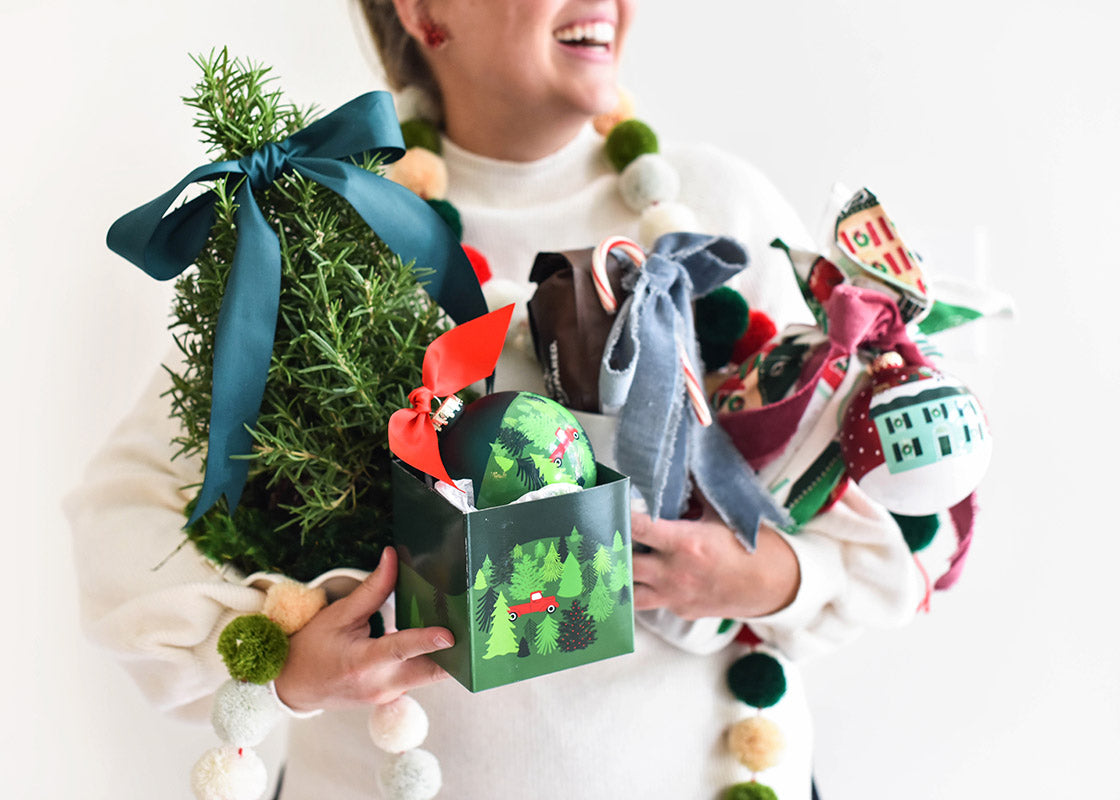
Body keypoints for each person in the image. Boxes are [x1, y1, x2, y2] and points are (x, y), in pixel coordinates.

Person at [66, 1, 937, 797]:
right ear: (424, 9)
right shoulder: (323, 233)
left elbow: (888, 495)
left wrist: (776, 575)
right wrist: (285, 659)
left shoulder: (715, 210)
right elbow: (124, 513)